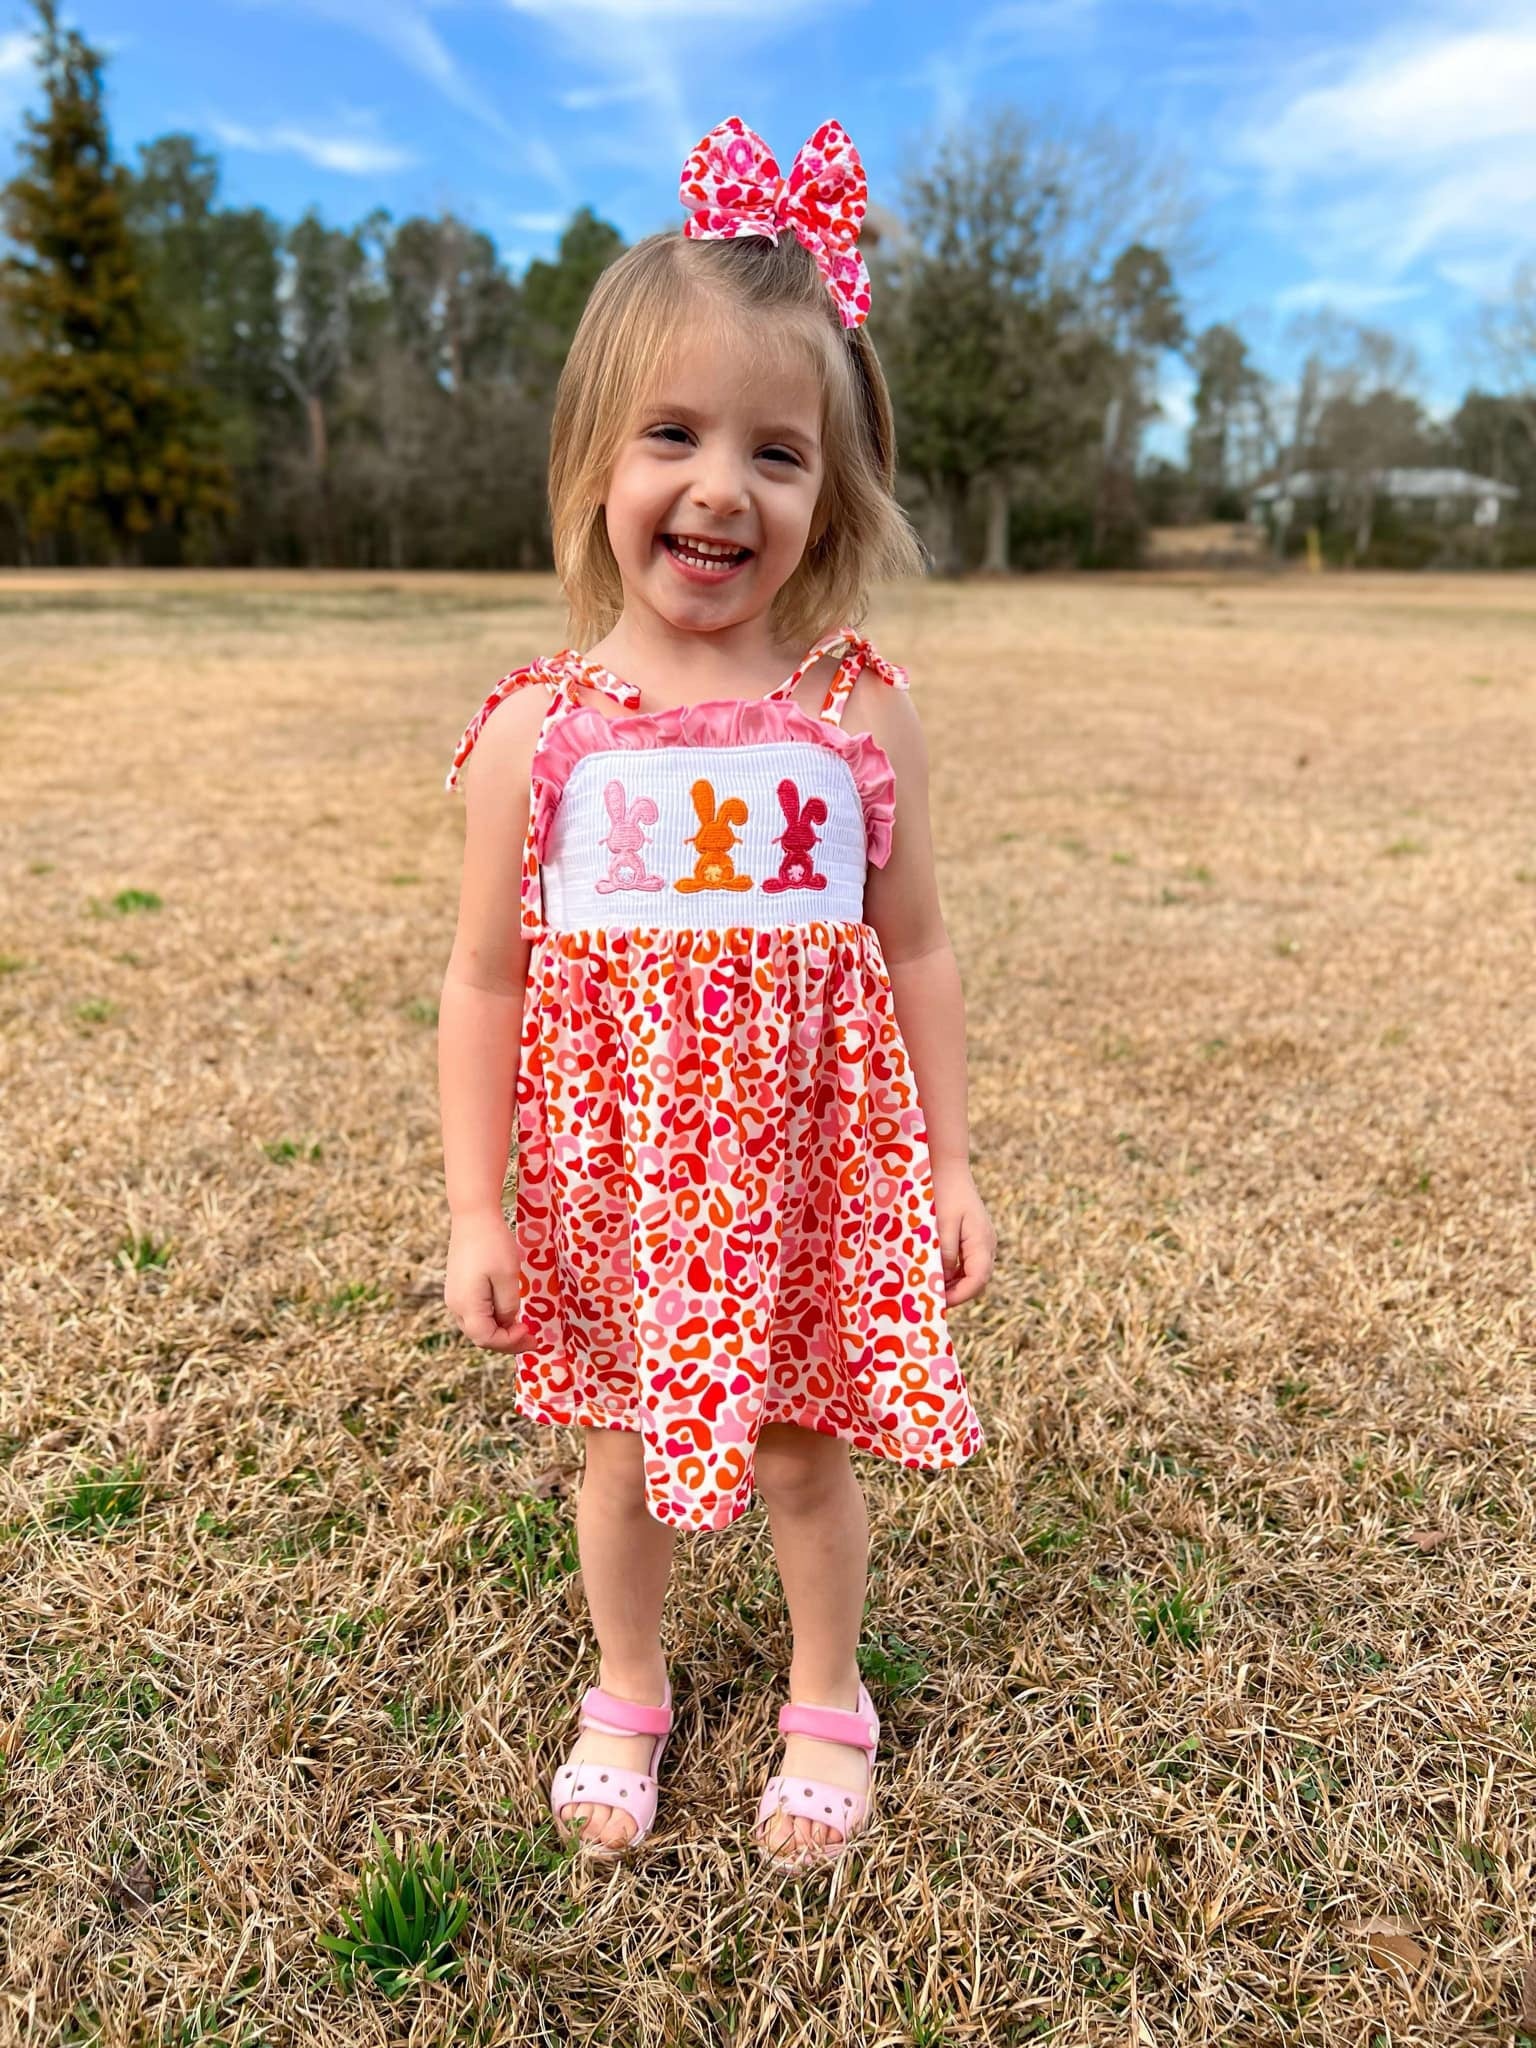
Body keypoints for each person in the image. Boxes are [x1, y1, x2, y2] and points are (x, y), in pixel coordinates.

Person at [439, 115, 995, 1873]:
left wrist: (951, 1164)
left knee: (806, 1455)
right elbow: (482, 979)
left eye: (778, 451)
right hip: (620, 1184)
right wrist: (476, 1207)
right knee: (619, 1458)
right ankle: (629, 1685)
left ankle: (830, 1692)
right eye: (672, 435)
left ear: (833, 489)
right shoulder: (539, 735)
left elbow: (917, 947)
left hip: (809, 1173)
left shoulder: (854, 716)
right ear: (592, 458)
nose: (721, 489)